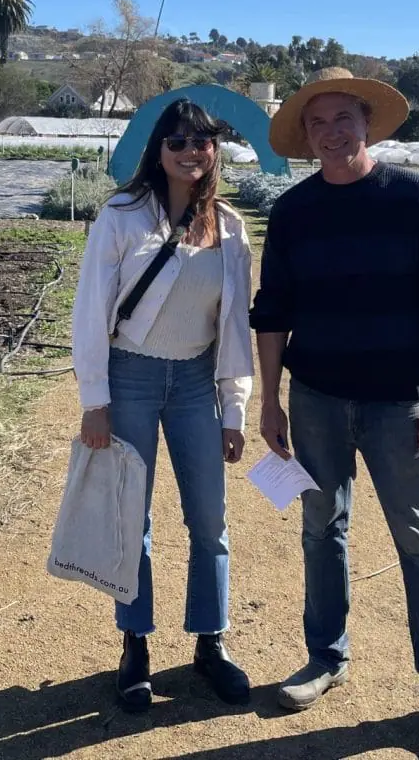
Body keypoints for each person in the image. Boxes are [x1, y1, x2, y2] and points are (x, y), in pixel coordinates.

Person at [249, 67, 419, 760]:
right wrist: (271, 400)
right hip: (317, 399)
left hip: (396, 404)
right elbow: (273, 315)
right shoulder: (294, 212)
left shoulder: (414, 199)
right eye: (316, 125)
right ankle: (326, 657)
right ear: (306, 135)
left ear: (365, 122)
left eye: (342, 119)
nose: (330, 134)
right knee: (322, 530)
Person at [71, 97, 255, 713]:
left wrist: (235, 412)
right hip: (131, 378)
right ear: (158, 150)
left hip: (197, 384)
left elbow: (235, 329)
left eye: (201, 141)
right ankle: (136, 643)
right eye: (176, 141)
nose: (189, 152)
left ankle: (210, 641)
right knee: (133, 517)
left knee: (210, 521)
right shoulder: (122, 216)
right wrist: (94, 399)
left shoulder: (230, 228)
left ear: (215, 151)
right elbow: (90, 313)